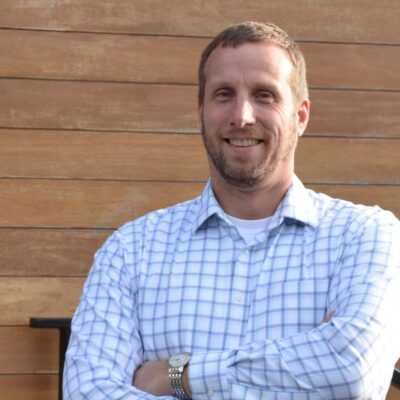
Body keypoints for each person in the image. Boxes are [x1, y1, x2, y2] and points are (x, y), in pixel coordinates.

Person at [63, 21, 400, 399]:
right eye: (224, 94)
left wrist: (178, 375)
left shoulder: (366, 236)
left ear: (300, 116)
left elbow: (353, 370)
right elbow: (89, 392)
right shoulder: (132, 251)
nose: (242, 116)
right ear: (201, 111)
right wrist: (306, 367)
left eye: (265, 95)